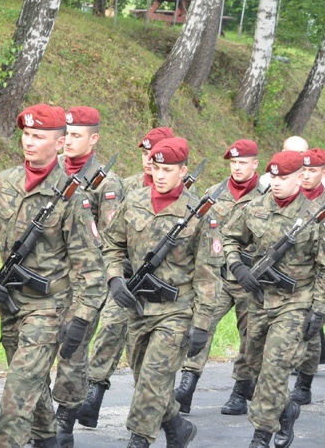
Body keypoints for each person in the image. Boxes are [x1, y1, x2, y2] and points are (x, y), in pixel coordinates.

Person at [0, 104, 105, 448]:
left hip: (50, 308)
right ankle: (49, 439)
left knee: (18, 392)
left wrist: (82, 320)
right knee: (33, 386)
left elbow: (90, 266)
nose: (29, 142)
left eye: (39, 136)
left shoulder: (73, 198)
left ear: (58, 144)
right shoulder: (3, 182)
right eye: (26, 134)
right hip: (9, 304)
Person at [102, 137, 219, 448]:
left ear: (183, 171)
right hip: (138, 308)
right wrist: (115, 279)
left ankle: (138, 439)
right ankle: (177, 426)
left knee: (153, 379)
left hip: (177, 310)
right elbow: (111, 245)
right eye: (156, 168)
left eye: (168, 169)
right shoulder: (134, 201)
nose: (161, 175)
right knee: (146, 380)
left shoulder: (199, 212)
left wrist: (202, 324)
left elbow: (208, 273)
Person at [222, 150, 325, 448]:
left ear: (300, 177)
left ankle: (261, 435)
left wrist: (317, 309)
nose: (278, 183)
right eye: (274, 177)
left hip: (296, 301)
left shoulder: (314, 216)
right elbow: (230, 238)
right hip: (259, 300)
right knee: (254, 362)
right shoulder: (255, 207)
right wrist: (238, 266)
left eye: (285, 177)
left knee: (274, 369)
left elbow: (323, 268)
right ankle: (286, 410)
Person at [75, 127, 175, 428]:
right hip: (125, 277)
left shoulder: (184, 198)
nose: (148, 161)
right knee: (109, 328)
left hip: (164, 287)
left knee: (146, 358)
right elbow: (111, 233)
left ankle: (165, 414)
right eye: (145, 154)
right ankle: (94, 395)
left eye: (155, 155)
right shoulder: (127, 186)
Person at [174, 139, 264, 416]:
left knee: (251, 336)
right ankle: (187, 386)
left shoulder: (266, 195)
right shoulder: (215, 192)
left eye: (242, 163)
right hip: (218, 277)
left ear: (255, 164)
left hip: (251, 279)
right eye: (233, 163)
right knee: (200, 327)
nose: (237, 168)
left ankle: (240, 390)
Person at [52, 106, 123, 445]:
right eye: (64, 134)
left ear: (93, 139)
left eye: (76, 135)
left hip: (84, 281)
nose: (67, 141)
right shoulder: (50, 172)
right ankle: (39, 417)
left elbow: (110, 238)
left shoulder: (106, 183)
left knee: (72, 350)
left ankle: (64, 421)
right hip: (47, 276)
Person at [288, 147, 325, 406]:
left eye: (313, 171)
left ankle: (304, 382)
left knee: (312, 328)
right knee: (306, 331)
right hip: (298, 275)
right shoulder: (292, 198)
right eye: (305, 170)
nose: (308, 175)